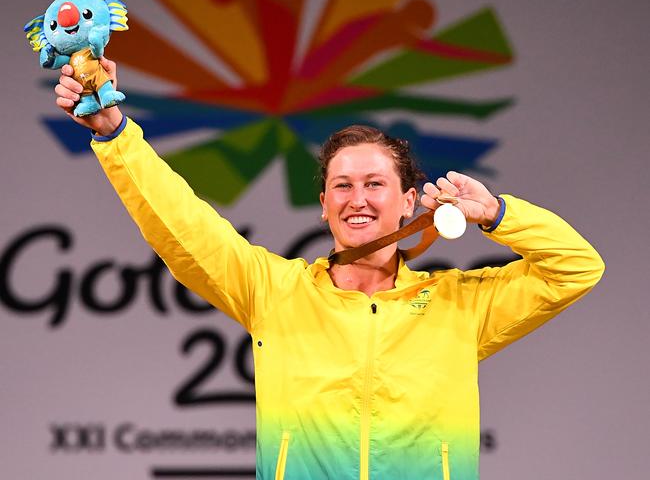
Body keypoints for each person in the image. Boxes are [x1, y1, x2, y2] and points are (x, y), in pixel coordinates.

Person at [54, 58, 604, 480]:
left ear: (409, 201)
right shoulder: (273, 292)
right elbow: (182, 227)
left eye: (375, 184)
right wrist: (114, 133)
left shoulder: (459, 305)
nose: (357, 199)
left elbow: (576, 269)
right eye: (342, 185)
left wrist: (499, 214)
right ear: (323, 203)